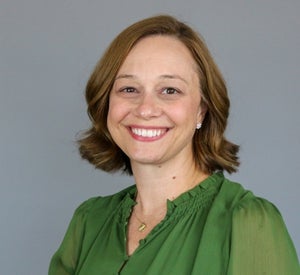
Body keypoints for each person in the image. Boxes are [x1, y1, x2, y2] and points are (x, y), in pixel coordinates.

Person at [48, 15, 299, 274]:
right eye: (129, 89)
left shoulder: (248, 223)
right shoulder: (89, 221)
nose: (145, 109)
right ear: (106, 102)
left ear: (202, 110)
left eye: (170, 90)